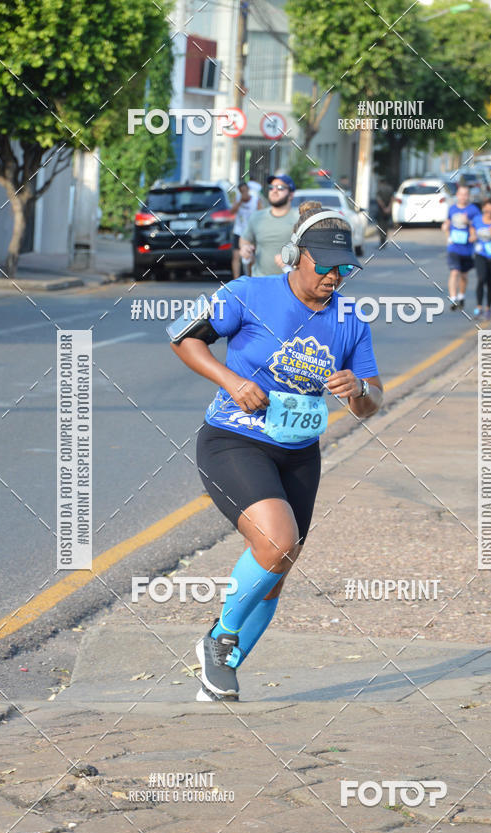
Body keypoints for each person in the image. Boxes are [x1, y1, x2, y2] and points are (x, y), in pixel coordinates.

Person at [170, 201, 383, 701]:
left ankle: (219, 674)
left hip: (299, 453)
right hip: (234, 438)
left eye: (343, 267)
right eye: (325, 266)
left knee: (277, 566)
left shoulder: (351, 319)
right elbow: (183, 338)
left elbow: (372, 403)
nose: (335, 276)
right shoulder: (248, 294)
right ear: (294, 256)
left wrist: (358, 392)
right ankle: (219, 640)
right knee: (278, 539)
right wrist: (232, 379)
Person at [240, 174, 299, 276]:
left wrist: (291, 257)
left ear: (291, 195)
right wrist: (245, 248)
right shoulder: (257, 217)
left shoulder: (300, 218)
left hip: (290, 284)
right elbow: (245, 240)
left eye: (280, 188)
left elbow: (311, 250)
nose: (274, 190)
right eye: (271, 187)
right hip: (261, 282)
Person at [442, 184, 480, 311]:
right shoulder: (452, 209)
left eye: (465, 194)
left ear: (468, 196)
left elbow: (478, 226)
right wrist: (446, 229)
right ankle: (453, 299)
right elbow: (448, 222)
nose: (463, 197)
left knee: (464, 275)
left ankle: (461, 296)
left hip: (467, 248)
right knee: (454, 272)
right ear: (457, 195)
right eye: (461, 194)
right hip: (454, 247)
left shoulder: (473, 210)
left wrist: (468, 223)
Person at [230, 182, 260, 279]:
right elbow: (232, 211)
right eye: (242, 191)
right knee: (236, 256)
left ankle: (251, 278)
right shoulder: (238, 199)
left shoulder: (255, 200)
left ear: (248, 190)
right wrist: (240, 202)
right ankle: (236, 279)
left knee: (250, 257)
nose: (244, 193)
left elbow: (262, 214)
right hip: (238, 231)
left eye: (245, 191)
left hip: (251, 232)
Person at [375, 179, 393, 247]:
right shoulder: (390, 189)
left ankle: (382, 241)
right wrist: (389, 208)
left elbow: (379, 200)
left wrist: (384, 208)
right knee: (386, 226)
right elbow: (392, 199)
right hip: (388, 211)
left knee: (380, 226)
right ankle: (384, 240)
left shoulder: (380, 189)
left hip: (381, 211)